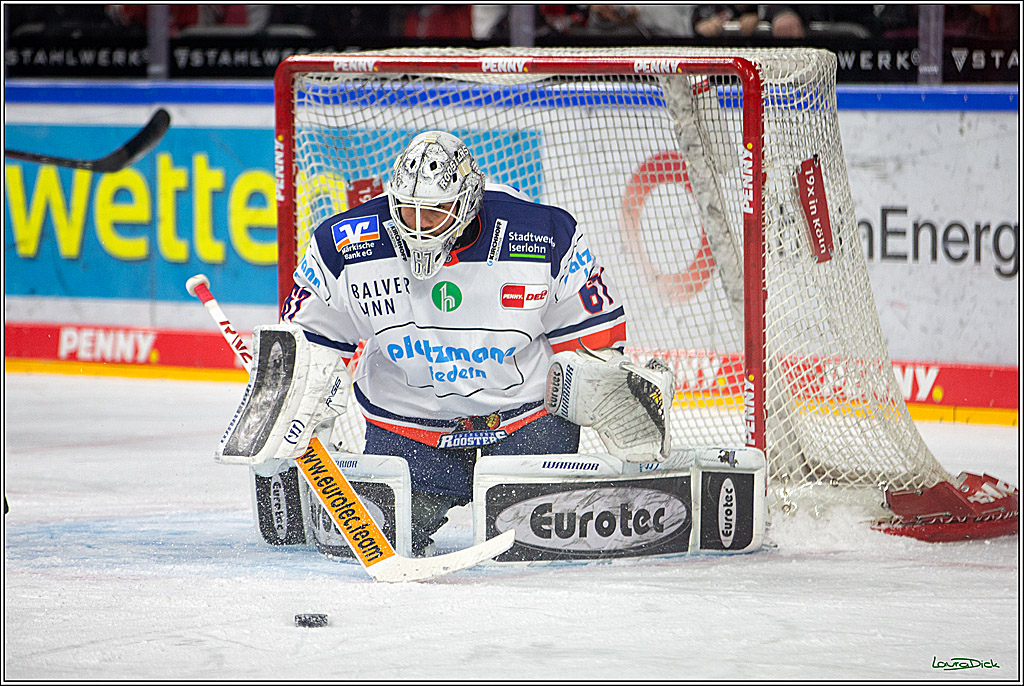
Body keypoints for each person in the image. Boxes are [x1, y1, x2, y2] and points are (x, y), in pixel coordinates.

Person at [279, 131, 629, 555]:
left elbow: (591, 337)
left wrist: (611, 392)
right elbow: (309, 341)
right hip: (410, 421)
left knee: (533, 553)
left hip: (526, 418)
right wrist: (301, 401)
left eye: (436, 212)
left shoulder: (544, 233)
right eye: (408, 211)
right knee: (377, 541)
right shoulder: (345, 245)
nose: (419, 225)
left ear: (466, 201)